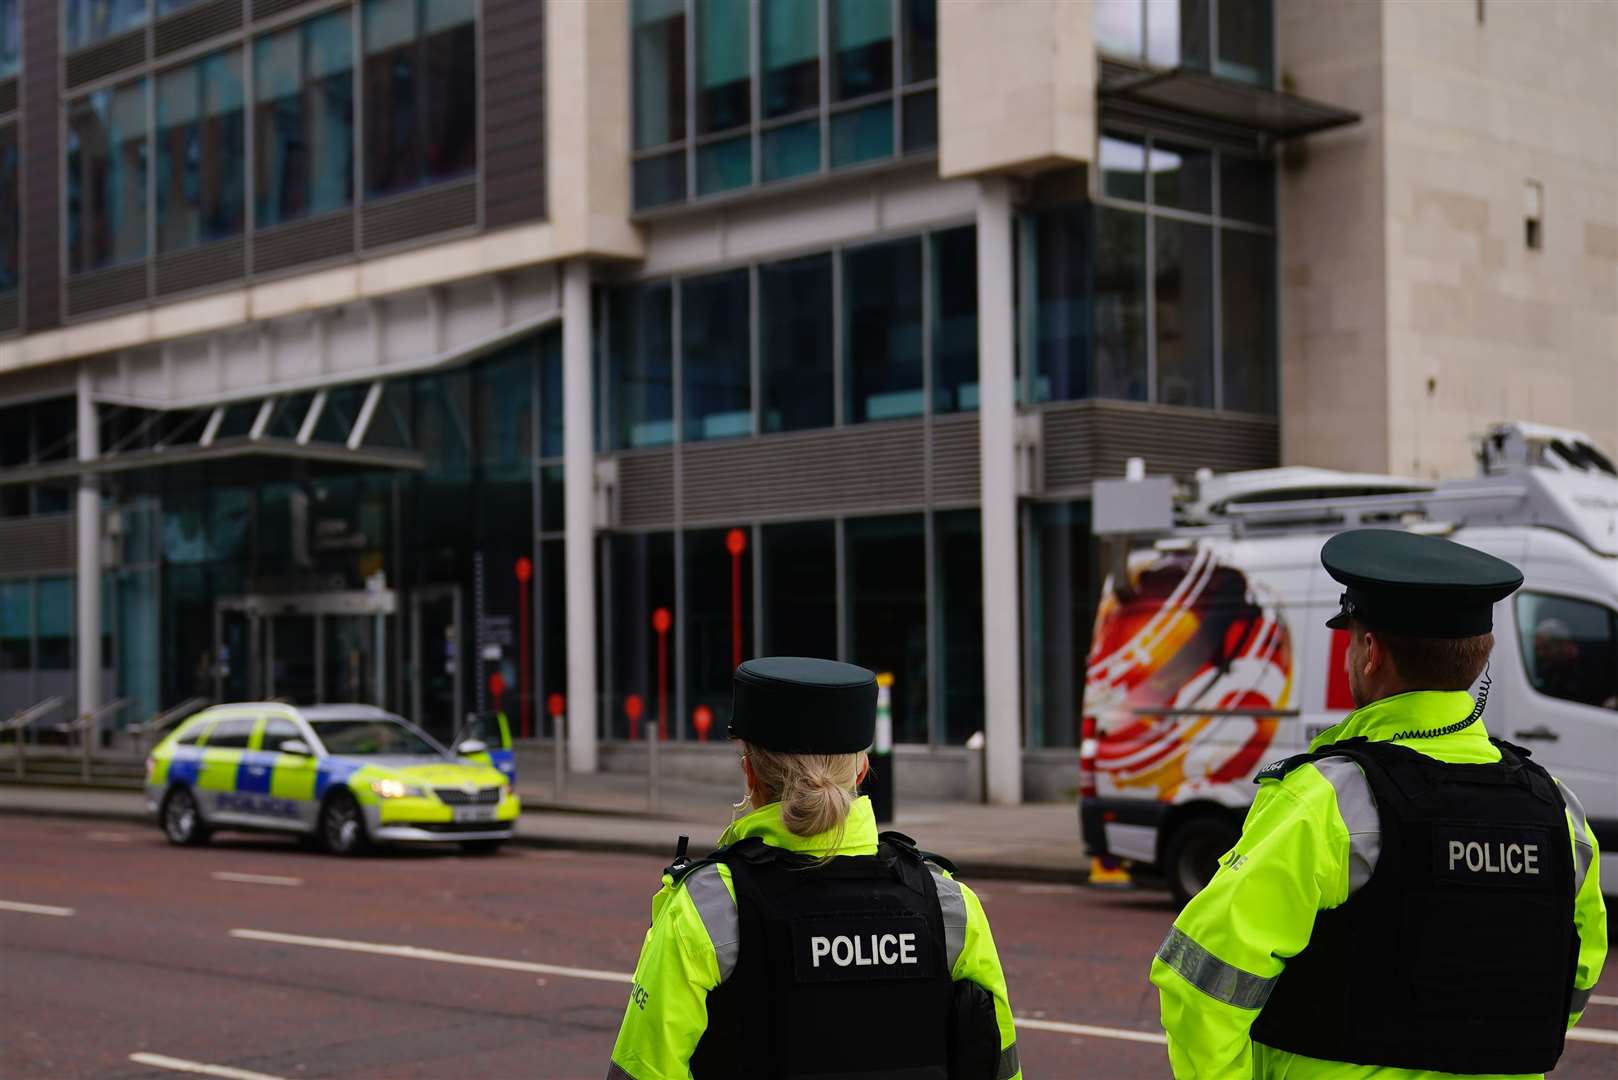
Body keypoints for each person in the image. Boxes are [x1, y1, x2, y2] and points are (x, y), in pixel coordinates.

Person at [1151, 529, 1607, 1078]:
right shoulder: (1558, 812)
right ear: (1475, 661)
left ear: (1370, 654)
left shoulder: (1326, 802)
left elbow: (1201, 981)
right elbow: (1574, 978)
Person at [608, 656, 1021, 1080]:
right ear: (861, 768)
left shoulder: (707, 911)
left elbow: (644, 1069)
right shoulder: (950, 905)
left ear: (750, 773)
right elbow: (999, 1068)